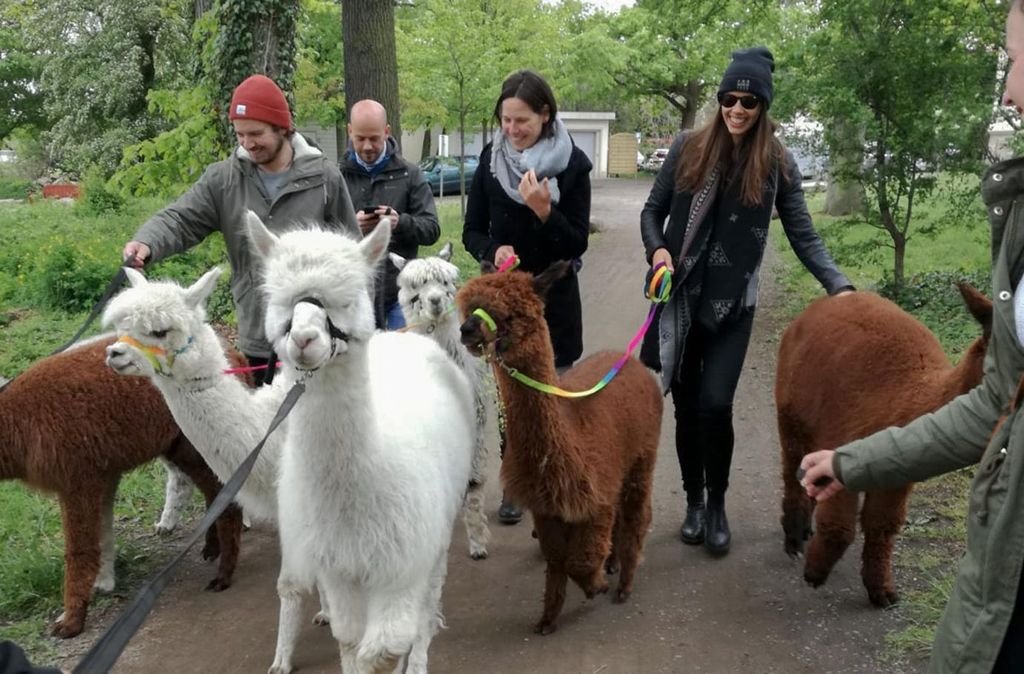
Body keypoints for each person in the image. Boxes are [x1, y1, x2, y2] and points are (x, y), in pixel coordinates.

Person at [800, 4, 1024, 670]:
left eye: (1018, 63)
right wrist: (850, 463)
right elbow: (997, 402)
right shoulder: (1016, 219)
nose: (1009, 90)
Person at [640, 47, 853, 556]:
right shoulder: (688, 147)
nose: (737, 109)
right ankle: (693, 502)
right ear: (719, 100)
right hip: (681, 298)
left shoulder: (777, 162)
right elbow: (653, 211)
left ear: (763, 107)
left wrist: (838, 285)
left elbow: (804, 235)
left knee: (716, 403)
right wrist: (659, 250)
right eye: (730, 98)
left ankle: (717, 504)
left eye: (749, 101)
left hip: (735, 304)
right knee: (688, 406)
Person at [123, 74, 359, 384]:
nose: (247, 144)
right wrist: (147, 241)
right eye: (240, 135)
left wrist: (354, 330)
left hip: (312, 339)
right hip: (257, 335)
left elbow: (354, 255)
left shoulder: (325, 178)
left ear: (283, 128)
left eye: (256, 134)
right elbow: (181, 218)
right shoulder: (223, 179)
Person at [463, 69, 592, 524]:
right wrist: (489, 248)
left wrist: (544, 210)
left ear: (545, 115)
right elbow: (471, 229)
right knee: (510, 401)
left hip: (554, 303)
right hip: (502, 308)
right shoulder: (489, 161)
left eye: (523, 121)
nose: (512, 131)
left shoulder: (573, 165)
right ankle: (516, 482)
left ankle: (559, 482)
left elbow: (576, 242)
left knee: (555, 398)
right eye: (506, 121)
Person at [340, 99, 440, 330]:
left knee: (399, 358)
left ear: (386, 132)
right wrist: (352, 226)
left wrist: (400, 222)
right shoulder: (338, 176)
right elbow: (324, 233)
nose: (367, 146)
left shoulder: (409, 174)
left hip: (401, 290)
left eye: (374, 138)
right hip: (354, 290)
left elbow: (432, 229)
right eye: (360, 138)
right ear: (350, 131)